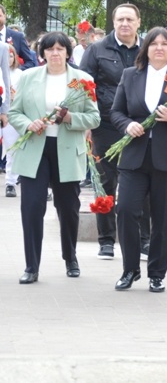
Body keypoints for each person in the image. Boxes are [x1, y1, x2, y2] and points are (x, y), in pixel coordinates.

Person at [110, 27, 167, 292]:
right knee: (126, 210)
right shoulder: (131, 75)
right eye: (154, 44)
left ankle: (157, 273)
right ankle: (130, 269)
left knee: (162, 219)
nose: (159, 48)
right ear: (146, 48)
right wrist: (127, 125)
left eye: (165, 44)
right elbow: (116, 112)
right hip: (135, 157)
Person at [8, 32, 100, 283]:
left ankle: (70, 256)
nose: (55, 53)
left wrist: (70, 118)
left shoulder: (83, 79)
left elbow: (94, 118)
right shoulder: (29, 77)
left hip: (67, 150)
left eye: (60, 48)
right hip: (36, 149)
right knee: (32, 207)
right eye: (50, 49)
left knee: (68, 208)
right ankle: (31, 266)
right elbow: (15, 113)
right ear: (43, 53)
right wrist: (28, 124)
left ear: (68, 52)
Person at [80, 3, 150, 261]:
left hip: (140, 127)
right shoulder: (97, 50)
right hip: (106, 125)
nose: (125, 24)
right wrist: (87, 123)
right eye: (120, 19)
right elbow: (84, 87)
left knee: (142, 183)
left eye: (130, 19)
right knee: (105, 182)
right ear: (113, 22)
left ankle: (143, 240)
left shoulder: (149, 49)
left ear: (139, 22)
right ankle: (106, 240)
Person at [4, 44, 23, 197]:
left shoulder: (20, 74)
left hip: (14, 115)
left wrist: (15, 96)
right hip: (3, 113)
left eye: (10, 56)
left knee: (13, 149)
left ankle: (11, 182)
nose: (8, 59)